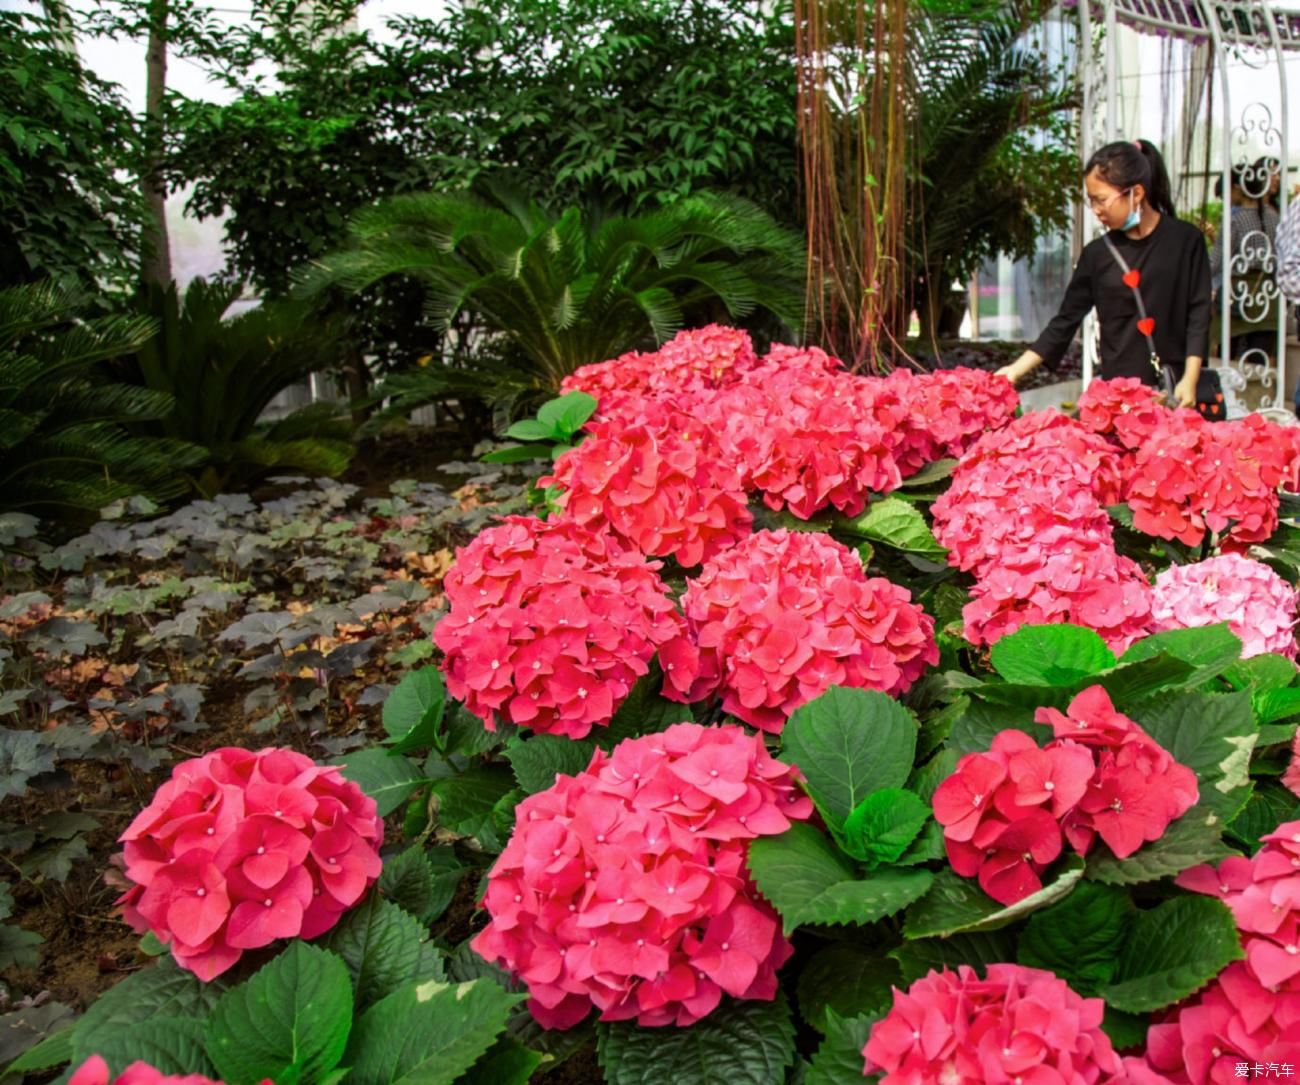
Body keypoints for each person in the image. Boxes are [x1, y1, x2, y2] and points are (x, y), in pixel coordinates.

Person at [996, 139, 1211, 408]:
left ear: (1137, 193)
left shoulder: (1186, 241)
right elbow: (1065, 321)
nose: (1096, 210)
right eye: (1091, 201)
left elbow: (1199, 314)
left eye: (1101, 200)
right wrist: (1015, 370)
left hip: (1177, 391)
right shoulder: (1098, 255)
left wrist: (1190, 379)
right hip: (1119, 398)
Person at [1209, 162, 1280, 367]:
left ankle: (1230, 398)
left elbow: (1216, 262)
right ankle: (1261, 399)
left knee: (1227, 360)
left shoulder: (1234, 220)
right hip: (1268, 296)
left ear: (1238, 187)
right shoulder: (1274, 216)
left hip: (1238, 296)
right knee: (1260, 362)